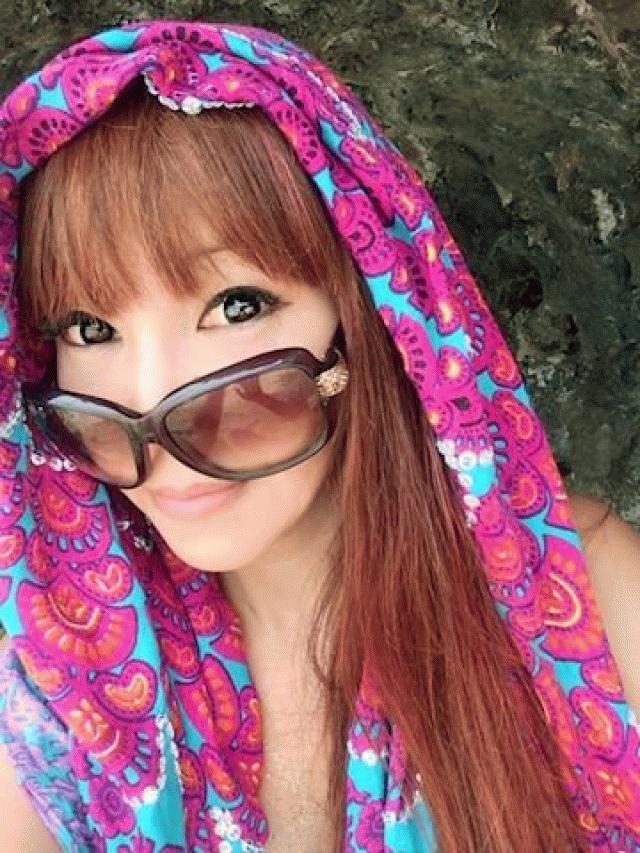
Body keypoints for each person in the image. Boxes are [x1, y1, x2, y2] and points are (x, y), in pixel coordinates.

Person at [0, 18, 637, 853]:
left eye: (237, 305)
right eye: (89, 328)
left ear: (369, 306)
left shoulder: (587, 594)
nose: (153, 403)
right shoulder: (56, 674)